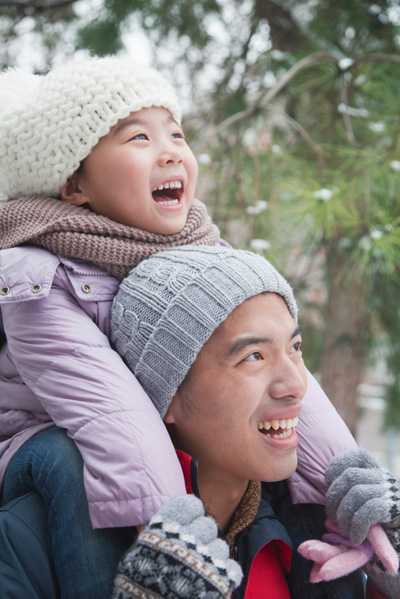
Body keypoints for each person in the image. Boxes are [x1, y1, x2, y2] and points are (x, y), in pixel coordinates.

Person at [0, 55, 357, 597]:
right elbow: (106, 409)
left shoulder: (198, 251)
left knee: (294, 480)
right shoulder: (36, 272)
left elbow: (290, 380)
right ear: (74, 182)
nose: (170, 150)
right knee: (67, 460)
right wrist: (170, 535)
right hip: (43, 438)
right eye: (138, 138)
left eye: (176, 133)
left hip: (153, 435)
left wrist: (351, 485)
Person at [107, 245, 394, 598]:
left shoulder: (316, 527)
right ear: (169, 394)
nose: (295, 386)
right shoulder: (56, 529)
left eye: (295, 347)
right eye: (254, 356)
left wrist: (390, 576)